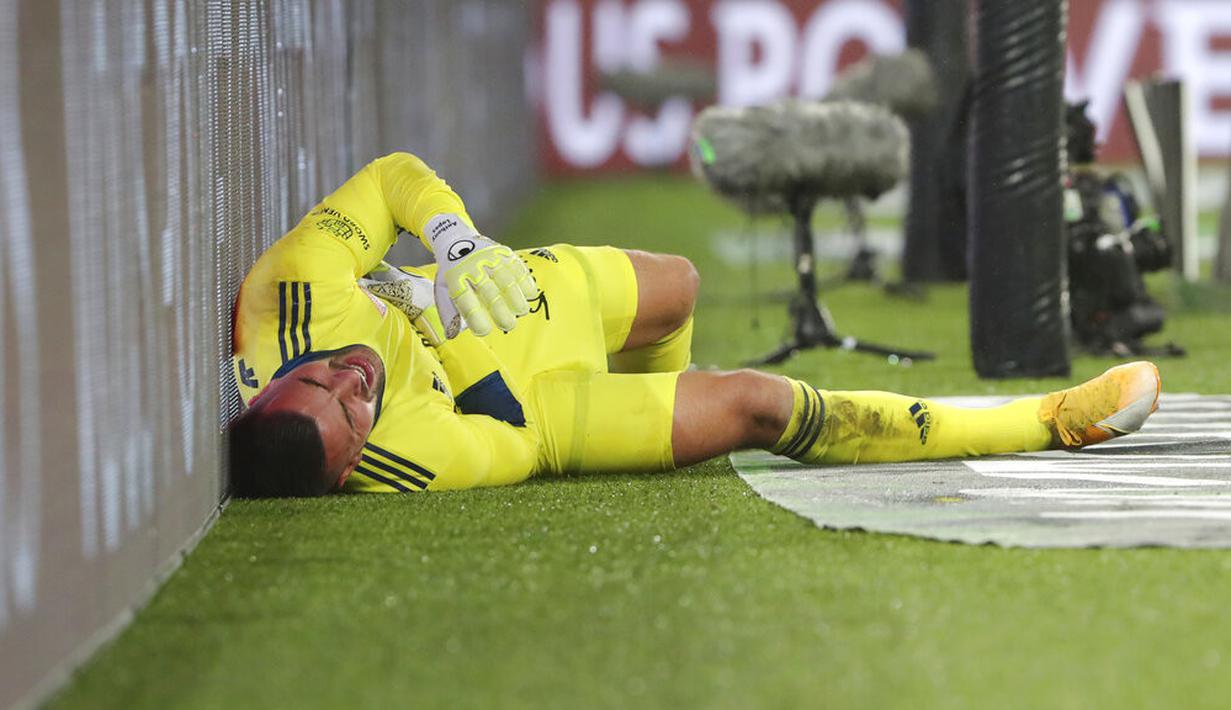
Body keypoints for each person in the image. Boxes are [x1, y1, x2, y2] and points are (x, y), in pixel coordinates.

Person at [228, 152, 1162, 496]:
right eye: (353, 413)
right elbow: (510, 438)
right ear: (359, 459)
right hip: (532, 403)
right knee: (757, 406)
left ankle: (667, 394)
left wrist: (456, 246)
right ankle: (1046, 420)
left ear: (281, 375)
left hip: (487, 288)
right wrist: (442, 325)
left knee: (676, 286)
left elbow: (393, 177)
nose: (351, 383)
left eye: (319, 382)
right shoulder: (409, 464)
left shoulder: (293, 294)